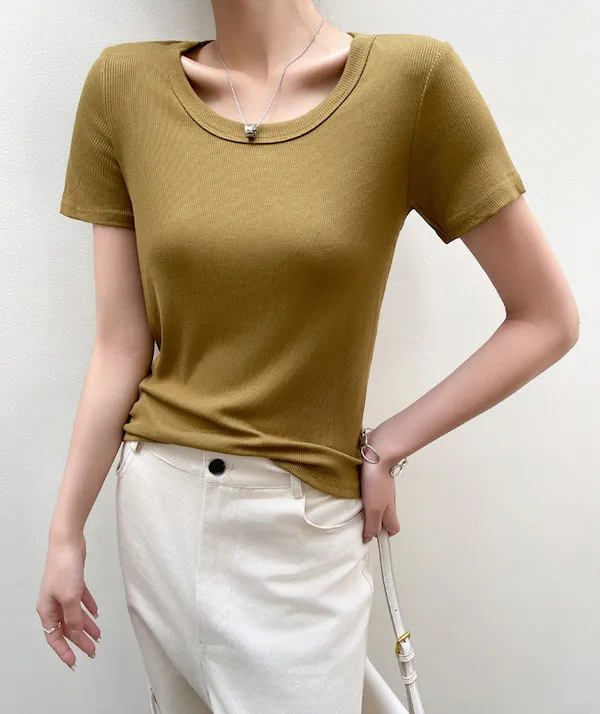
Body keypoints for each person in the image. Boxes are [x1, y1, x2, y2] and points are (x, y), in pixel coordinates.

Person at [37, 1, 579, 712]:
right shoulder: (122, 86)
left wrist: (387, 445)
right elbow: (120, 345)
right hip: (158, 509)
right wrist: (65, 532)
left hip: (301, 524)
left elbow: (547, 318)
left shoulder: (411, 82)